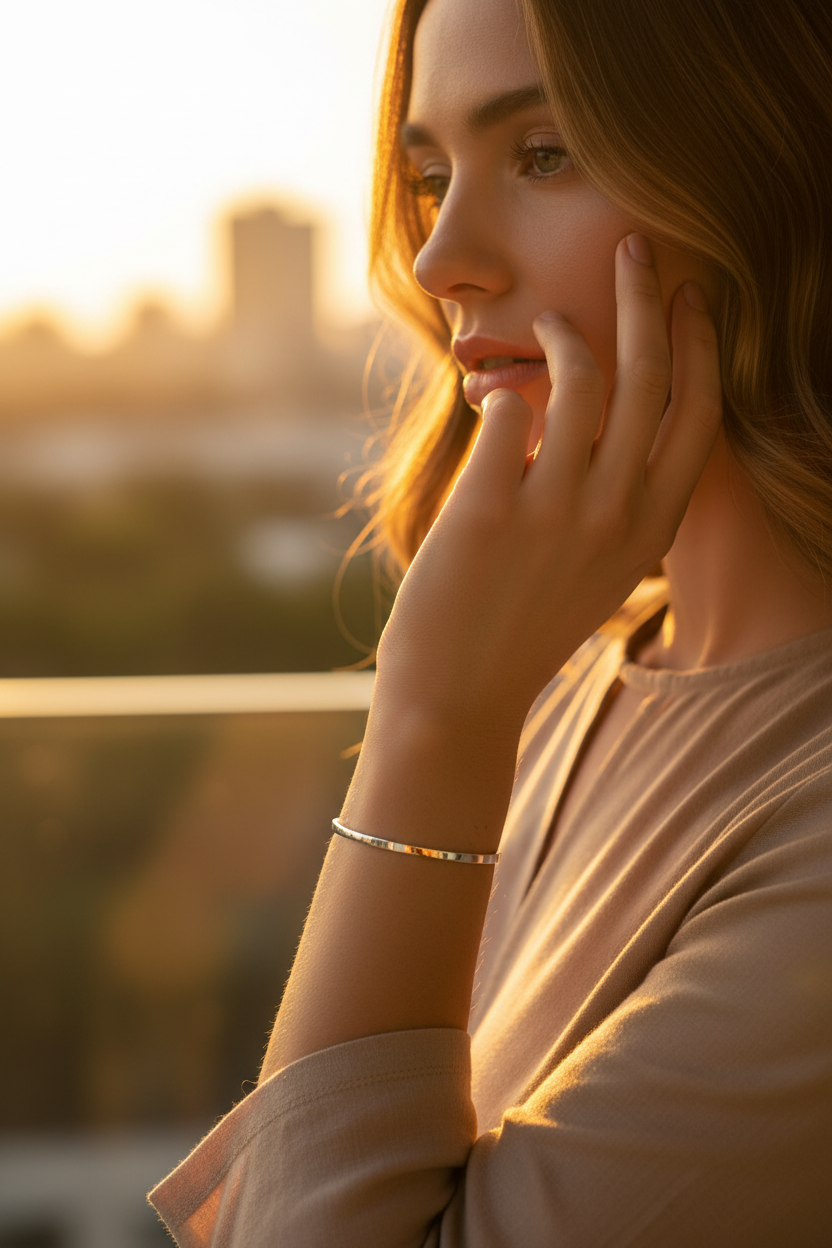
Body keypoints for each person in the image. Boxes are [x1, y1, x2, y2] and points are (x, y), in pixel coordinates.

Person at [149, 0, 832, 1243]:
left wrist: (431, 718)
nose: (439, 259)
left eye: (544, 154)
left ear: (776, 170)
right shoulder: (573, 681)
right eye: (428, 178)